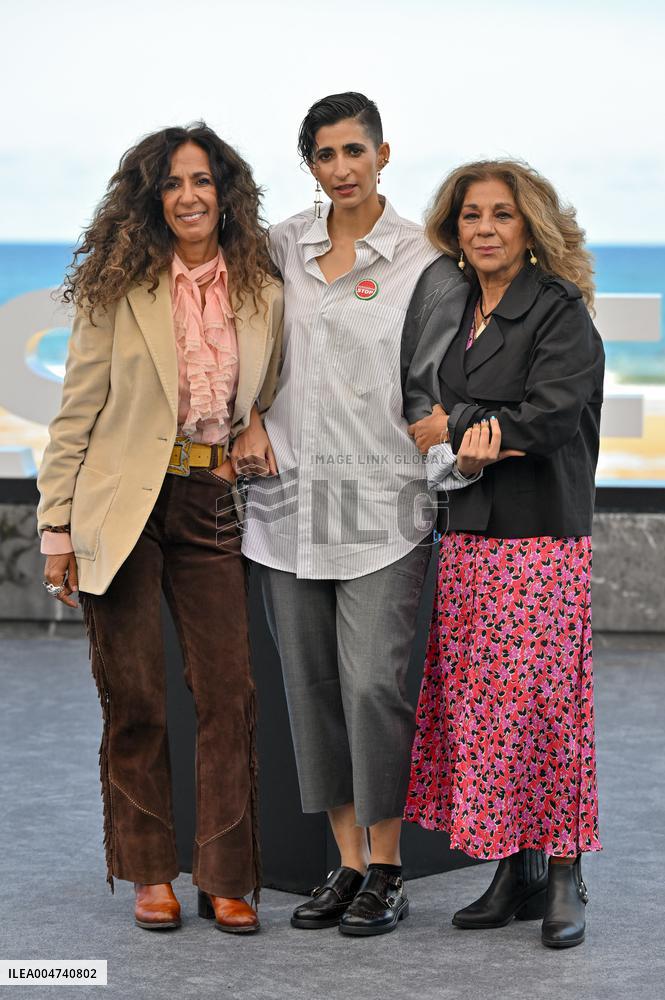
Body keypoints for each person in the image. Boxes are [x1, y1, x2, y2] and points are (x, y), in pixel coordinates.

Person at [235, 92, 473, 937]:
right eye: (325, 155)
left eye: (354, 152)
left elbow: (443, 376)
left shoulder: (423, 261)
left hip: (384, 502)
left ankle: (388, 865)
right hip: (288, 505)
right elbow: (236, 343)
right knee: (313, 690)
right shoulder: (274, 251)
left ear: (383, 154)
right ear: (310, 165)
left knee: (375, 687)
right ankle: (343, 862)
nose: (342, 169)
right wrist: (247, 417)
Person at [37, 123, 283, 934]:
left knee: (228, 695)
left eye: (203, 181)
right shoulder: (120, 290)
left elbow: (274, 386)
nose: (189, 196)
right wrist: (57, 531)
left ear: (226, 192)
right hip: (121, 506)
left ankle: (225, 875)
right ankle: (148, 871)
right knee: (135, 696)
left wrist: (257, 426)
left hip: (208, 498)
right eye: (173, 184)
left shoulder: (262, 289)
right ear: (152, 200)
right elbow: (75, 415)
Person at [402, 159, 604, 949]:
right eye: (470, 216)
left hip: (540, 538)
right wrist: (462, 433)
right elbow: (439, 408)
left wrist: (455, 428)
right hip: (468, 536)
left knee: (548, 708)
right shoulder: (457, 308)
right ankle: (515, 871)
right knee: (487, 711)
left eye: (502, 215)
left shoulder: (557, 311)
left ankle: (563, 872)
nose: (484, 228)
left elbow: (547, 416)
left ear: (530, 229)